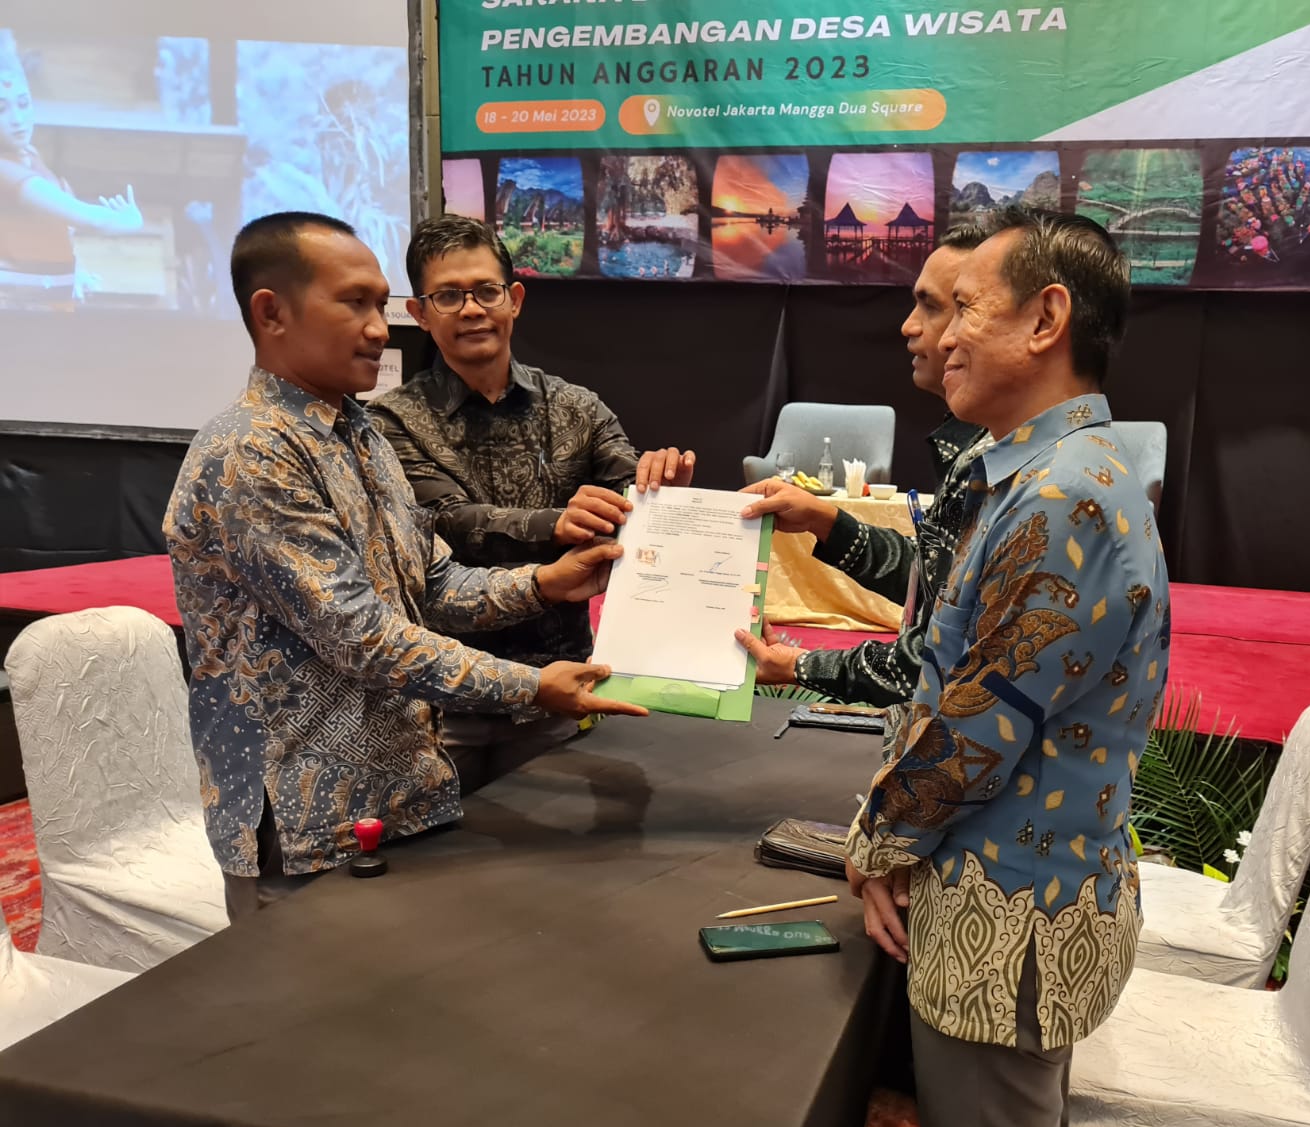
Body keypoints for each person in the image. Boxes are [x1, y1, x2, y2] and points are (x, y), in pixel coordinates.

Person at [164, 211, 646, 920]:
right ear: (272, 313)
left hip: (399, 802)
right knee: (308, 994)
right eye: (354, 303)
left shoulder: (357, 434)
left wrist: (546, 583)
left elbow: (432, 583)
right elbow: (362, 636)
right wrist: (532, 685)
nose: (379, 329)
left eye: (380, 305)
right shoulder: (251, 452)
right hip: (303, 828)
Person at [843, 208, 1171, 1127]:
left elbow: (980, 726)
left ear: (1045, 320)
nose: (940, 337)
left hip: (1011, 912)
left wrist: (877, 843)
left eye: (964, 309)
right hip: (1005, 894)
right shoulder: (1040, 473)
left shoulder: (1063, 495)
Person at [366, 214, 693, 792]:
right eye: (448, 296)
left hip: (557, 698)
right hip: (442, 706)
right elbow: (446, 521)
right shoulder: (390, 422)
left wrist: (663, 494)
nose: (472, 309)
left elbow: (630, 497)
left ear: (514, 300)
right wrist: (559, 524)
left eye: (486, 291)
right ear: (419, 313)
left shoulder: (577, 408)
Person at [734, 224, 992, 734]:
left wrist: (800, 666)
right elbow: (938, 586)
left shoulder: (1019, 468)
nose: (911, 327)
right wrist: (826, 520)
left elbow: (945, 659)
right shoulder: (981, 447)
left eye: (943, 307)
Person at [0, 30, 143, 309]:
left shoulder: (29, 155)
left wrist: (73, 273)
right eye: (1, 109)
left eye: (23, 103)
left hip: (50, 310)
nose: (18, 119)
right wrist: (130, 221)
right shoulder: (5, 171)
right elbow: (87, 218)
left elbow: (49, 234)